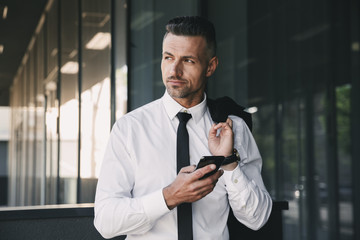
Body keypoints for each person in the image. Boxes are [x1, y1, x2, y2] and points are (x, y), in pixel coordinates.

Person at [94, 16, 272, 240]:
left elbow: (257, 219)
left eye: (188, 60)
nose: (174, 71)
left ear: (211, 66)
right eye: (168, 57)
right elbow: (105, 221)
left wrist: (229, 162)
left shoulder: (232, 129)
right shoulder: (129, 129)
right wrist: (169, 197)